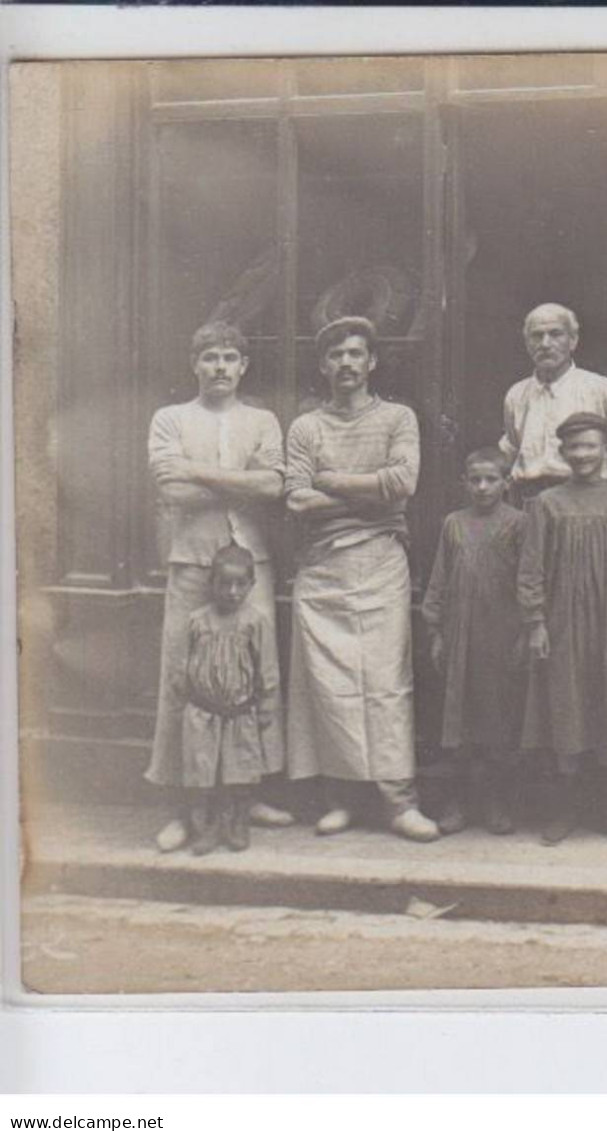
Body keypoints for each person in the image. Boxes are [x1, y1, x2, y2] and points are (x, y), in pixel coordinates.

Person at [283, 316, 438, 843]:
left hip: (380, 561)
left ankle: (399, 801)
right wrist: (367, 494)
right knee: (329, 684)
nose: (346, 363)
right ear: (323, 365)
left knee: (385, 682)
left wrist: (332, 482)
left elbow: (402, 485)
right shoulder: (306, 427)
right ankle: (341, 797)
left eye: (356, 353)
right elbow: (297, 498)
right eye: (336, 355)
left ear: (372, 361)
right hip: (321, 566)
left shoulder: (398, 418)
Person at [145, 321, 292, 852]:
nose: (221, 367)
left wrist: (199, 472)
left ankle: (244, 795)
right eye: (211, 358)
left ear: (244, 365)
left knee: (252, 674)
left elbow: (273, 484)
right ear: (195, 364)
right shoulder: (171, 419)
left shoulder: (262, 420)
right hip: (191, 561)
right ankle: (183, 807)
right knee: (182, 677)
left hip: (249, 563)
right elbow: (169, 487)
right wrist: (237, 482)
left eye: (230, 358)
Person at [519, 412, 607, 845]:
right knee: (567, 703)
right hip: (562, 621)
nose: (581, 455)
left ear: (606, 450)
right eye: (573, 447)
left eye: (590, 446)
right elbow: (531, 567)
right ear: (562, 452)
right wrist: (536, 621)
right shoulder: (547, 503)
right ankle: (566, 807)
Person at [420, 447, 528, 836]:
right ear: (464, 483)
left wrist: (526, 633)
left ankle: (496, 803)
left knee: (497, 722)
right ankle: (457, 803)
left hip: (500, 636)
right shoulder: (453, 523)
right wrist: (435, 631)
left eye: (491, 480)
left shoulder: (519, 523)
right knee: (458, 725)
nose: (482, 487)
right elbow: (439, 579)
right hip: (459, 636)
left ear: (506, 483)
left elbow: (529, 583)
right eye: (475, 480)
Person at [173, 543, 279, 856]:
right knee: (203, 772)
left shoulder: (255, 622)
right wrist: (185, 700)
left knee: (239, 772)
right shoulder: (197, 621)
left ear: (251, 585)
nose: (232, 592)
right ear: (211, 583)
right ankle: (205, 827)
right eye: (224, 583)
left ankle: (237, 823)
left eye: (240, 584)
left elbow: (267, 668)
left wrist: (265, 708)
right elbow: (182, 665)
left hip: (240, 713)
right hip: (202, 713)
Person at [499, 303, 607, 506]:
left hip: (588, 506)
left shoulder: (601, 389)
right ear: (527, 344)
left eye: (555, 334)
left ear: (573, 341)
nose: (545, 343)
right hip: (531, 508)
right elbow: (510, 457)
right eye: (537, 335)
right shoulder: (516, 395)